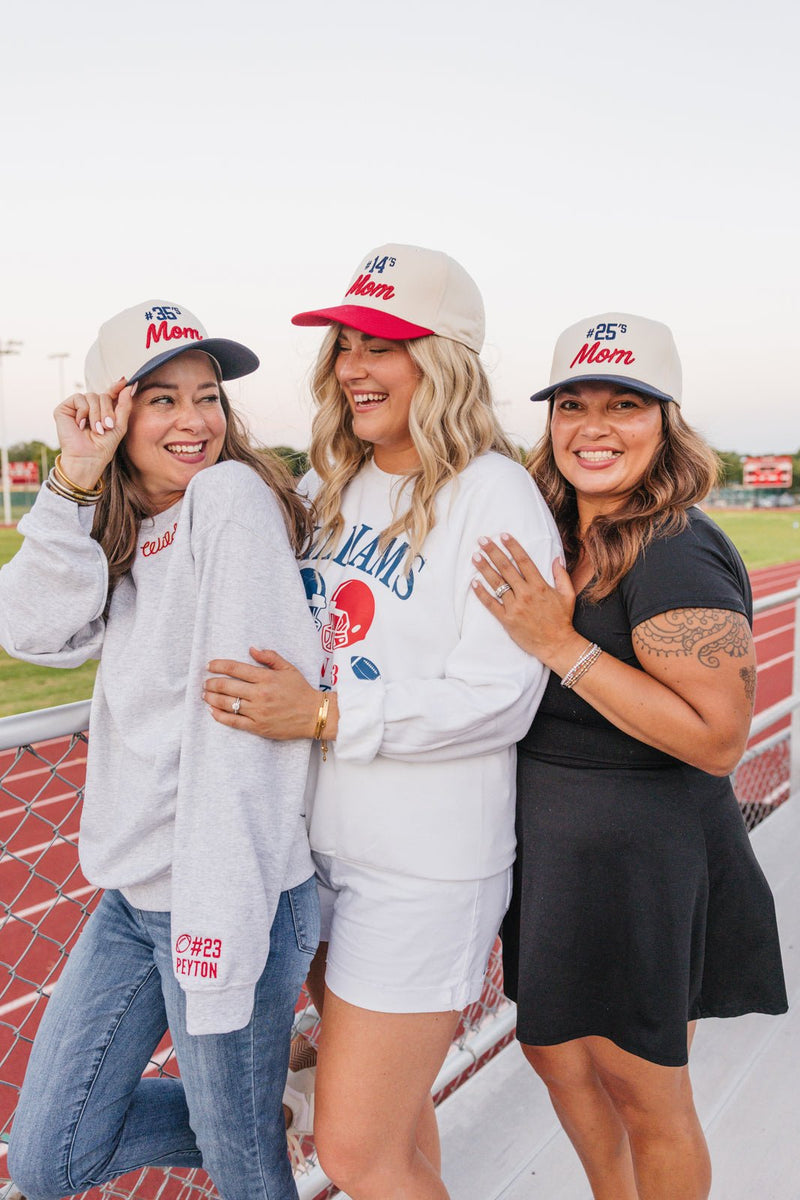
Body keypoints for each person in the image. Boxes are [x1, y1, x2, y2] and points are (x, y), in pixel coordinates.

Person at [202, 243, 562, 1200]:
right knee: (397, 1132)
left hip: (424, 871)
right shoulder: (333, 487)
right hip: (322, 853)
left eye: (383, 346)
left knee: (355, 1151)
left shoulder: (495, 497)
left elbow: (499, 696)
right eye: (346, 346)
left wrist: (323, 712)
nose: (354, 367)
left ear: (442, 359)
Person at [0, 301, 320, 1200]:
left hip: (221, 886)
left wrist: (217, 925)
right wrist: (71, 477)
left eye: (208, 398)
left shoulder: (227, 500)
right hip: (134, 899)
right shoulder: (130, 530)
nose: (195, 422)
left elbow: (246, 723)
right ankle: (266, 1095)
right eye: (163, 401)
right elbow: (29, 627)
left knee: (246, 1174)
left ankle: (260, 1105)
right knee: (47, 1158)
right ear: (114, 414)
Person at [471, 312, 788, 1200]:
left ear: (666, 421)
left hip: (642, 857)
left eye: (625, 405)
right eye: (573, 404)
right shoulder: (555, 532)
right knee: (557, 1060)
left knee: (646, 1094)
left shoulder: (675, 547)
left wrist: (559, 643)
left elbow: (718, 737)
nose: (595, 427)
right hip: (559, 855)